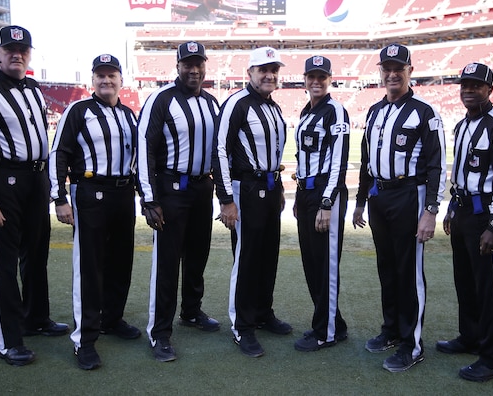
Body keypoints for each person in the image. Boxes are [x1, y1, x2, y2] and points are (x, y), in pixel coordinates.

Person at [0, 25, 68, 366]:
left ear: (30, 54)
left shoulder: (33, 87)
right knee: (2, 265)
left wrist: (49, 183)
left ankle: (36, 317)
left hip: (35, 181)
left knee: (36, 255)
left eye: (23, 50)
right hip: (2, 182)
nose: (16, 54)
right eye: (9, 49)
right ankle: (7, 341)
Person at [352, 43, 446, 372]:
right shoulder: (375, 111)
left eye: (399, 68)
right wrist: (361, 201)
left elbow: (436, 164)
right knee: (387, 268)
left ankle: (412, 343)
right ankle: (391, 330)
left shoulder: (424, 111)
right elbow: (366, 161)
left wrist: (431, 209)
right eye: (387, 68)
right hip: (380, 196)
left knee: (408, 272)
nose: (392, 74)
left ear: (410, 71)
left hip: (410, 194)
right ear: (381, 71)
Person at [49, 54, 140, 370]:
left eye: (111, 75)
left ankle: (112, 319)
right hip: (90, 192)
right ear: (93, 80)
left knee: (120, 260)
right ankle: (84, 339)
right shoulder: (79, 110)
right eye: (100, 76)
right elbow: (59, 152)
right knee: (90, 266)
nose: (106, 80)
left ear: (120, 80)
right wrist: (60, 198)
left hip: (123, 193)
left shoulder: (129, 115)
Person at [137, 41, 221, 362]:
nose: (194, 69)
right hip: (171, 190)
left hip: (202, 189)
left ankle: (191, 310)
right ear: (178, 66)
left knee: (198, 254)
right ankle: (159, 332)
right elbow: (145, 149)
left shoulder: (212, 103)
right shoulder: (161, 100)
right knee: (168, 262)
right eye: (188, 64)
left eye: (199, 63)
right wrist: (149, 199)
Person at [436, 62, 493, 382]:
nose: (469, 90)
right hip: (464, 211)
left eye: (476, 86)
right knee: (466, 281)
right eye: (464, 85)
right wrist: (452, 209)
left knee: (490, 288)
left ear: (490, 90)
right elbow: (458, 173)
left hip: (486, 214)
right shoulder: (463, 125)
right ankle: (470, 337)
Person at [213, 46, 292, 358]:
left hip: (271, 188)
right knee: (246, 257)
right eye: (263, 69)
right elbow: (219, 151)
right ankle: (242, 325)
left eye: (274, 69)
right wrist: (226, 200)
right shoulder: (237, 103)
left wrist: (281, 188)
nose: (269, 74)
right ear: (250, 73)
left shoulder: (274, 107)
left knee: (268, 254)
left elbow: (274, 155)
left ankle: (262, 312)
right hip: (245, 188)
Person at [292, 56, 350, 352]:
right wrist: (300, 193)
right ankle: (333, 324)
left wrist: (326, 203)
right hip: (307, 193)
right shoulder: (306, 111)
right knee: (312, 264)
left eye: (322, 76)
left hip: (325, 195)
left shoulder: (335, 111)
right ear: (304, 78)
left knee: (325, 265)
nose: (316, 81)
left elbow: (339, 161)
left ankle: (325, 332)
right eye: (311, 76)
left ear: (330, 79)